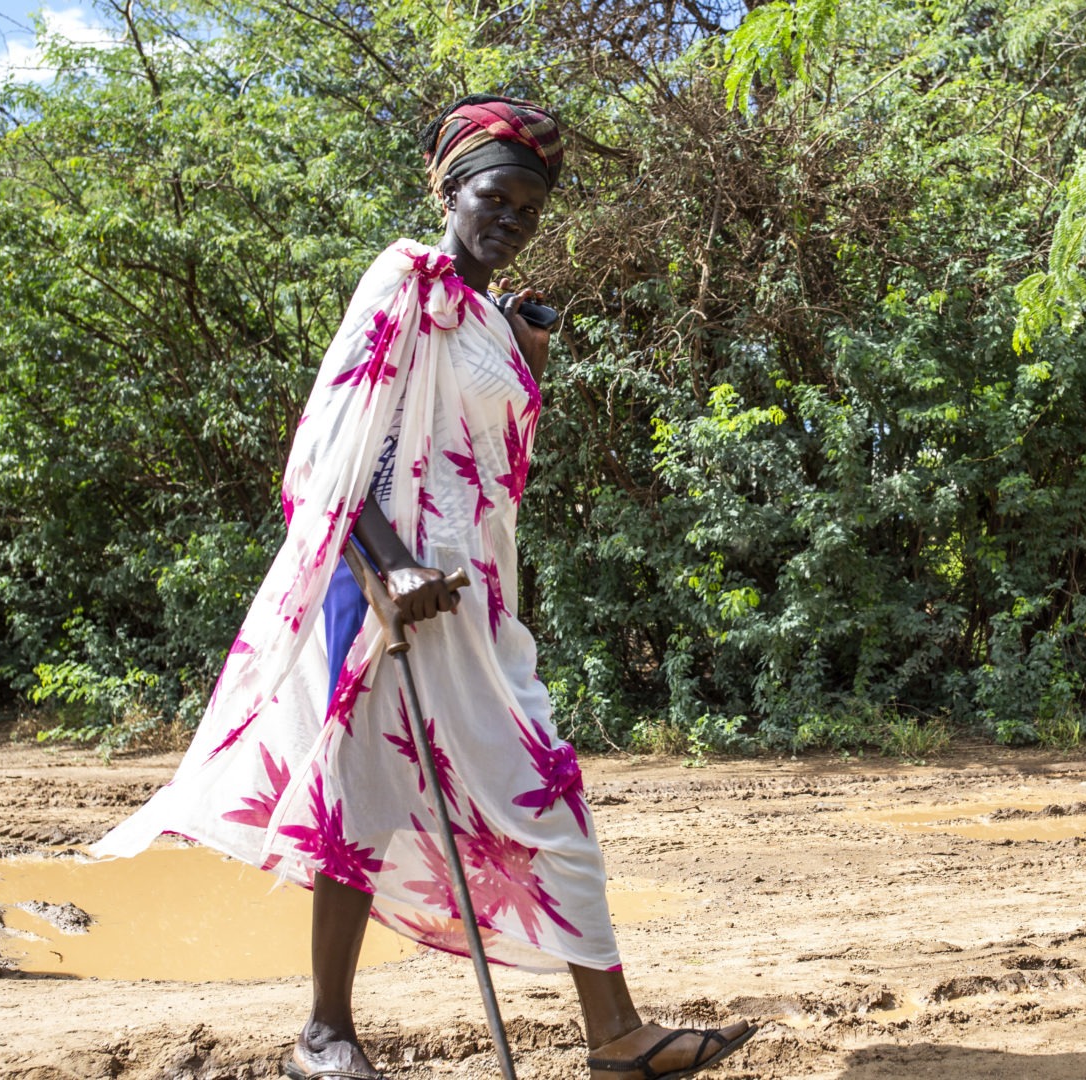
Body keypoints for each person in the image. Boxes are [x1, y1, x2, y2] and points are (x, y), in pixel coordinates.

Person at [94, 95, 755, 1080]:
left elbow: (486, 474)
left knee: (547, 799)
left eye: (530, 211)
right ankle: (326, 1033)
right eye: (496, 196)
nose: (511, 221)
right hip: (389, 589)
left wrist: (525, 359)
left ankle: (613, 1034)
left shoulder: (489, 314)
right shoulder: (403, 280)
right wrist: (391, 562)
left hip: (478, 606)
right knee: (363, 802)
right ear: (447, 187)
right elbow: (333, 452)